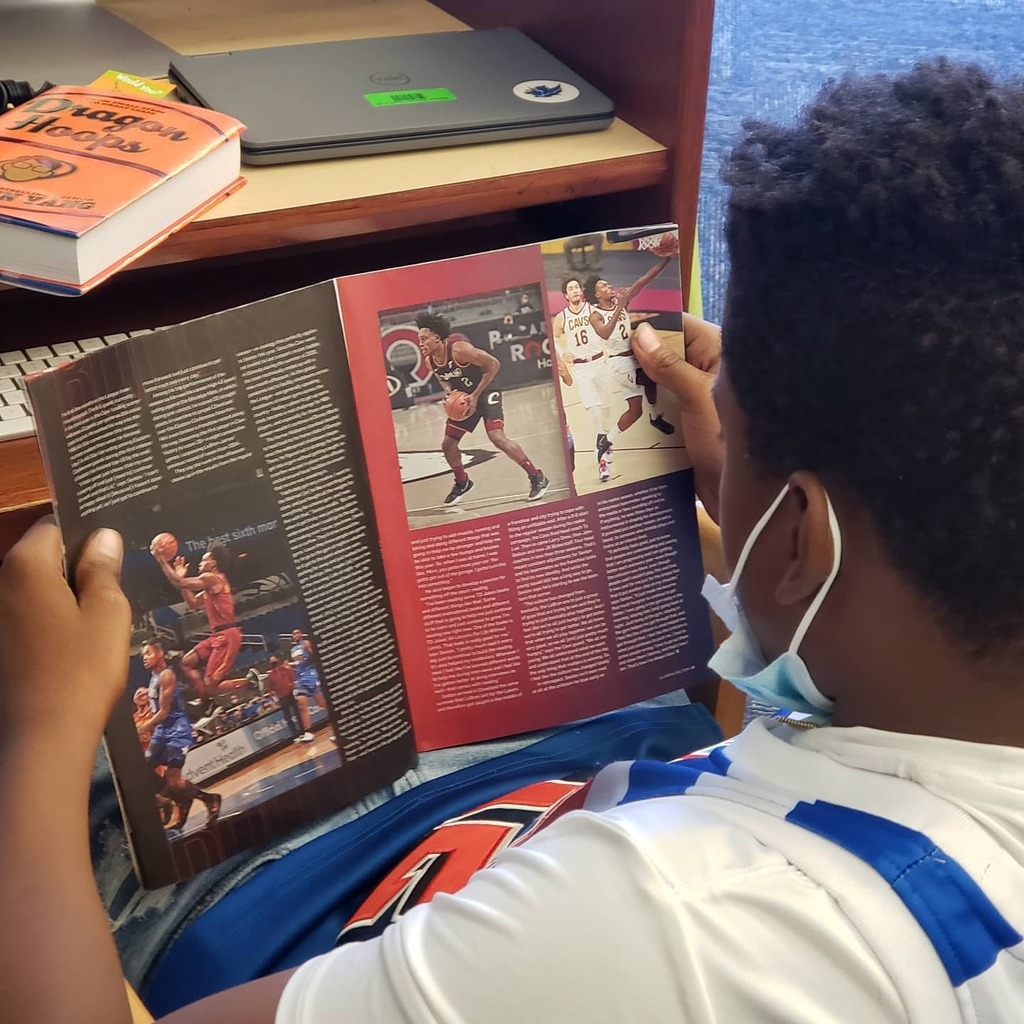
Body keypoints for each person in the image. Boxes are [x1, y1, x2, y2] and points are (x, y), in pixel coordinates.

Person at [4, 58, 1024, 1023]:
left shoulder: (677, 921)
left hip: (283, 889)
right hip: (589, 780)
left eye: (732, 411)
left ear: (805, 535)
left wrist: (40, 733)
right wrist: (746, 510)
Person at [416, 312, 550, 505]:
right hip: (465, 399)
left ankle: (537, 477)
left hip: (486, 392)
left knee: (497, 437)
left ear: (437, 338)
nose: (421, 343)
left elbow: (494, 364)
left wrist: (476, 396)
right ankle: (463, 482)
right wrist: (449, 392)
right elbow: (442, 376)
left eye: (424, 339)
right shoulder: (430, 361)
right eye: (419, 340)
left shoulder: (459, 350)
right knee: (448, 444)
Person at [582, 252, 678, 454]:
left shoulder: (621, 302)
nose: (610, 287)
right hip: (620, 364)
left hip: (634, 357)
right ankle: (618, 435)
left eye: (609, 284)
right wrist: (622, 304)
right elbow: (605, 334)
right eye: (604, 286)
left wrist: (668, 259)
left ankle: (647, 421)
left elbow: (644, 280)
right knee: (643, 395)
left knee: (643, 396)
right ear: (597, 295)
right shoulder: (596, 315)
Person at [135, 639, 221, 833]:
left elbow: (164, 712)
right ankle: (176, 799)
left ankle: (209, 799)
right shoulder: (153, 677)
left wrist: (141, 728)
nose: (144, 658)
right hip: (162, 731)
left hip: (177, 730)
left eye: (148, 653)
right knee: (143, 770)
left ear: (160, 653)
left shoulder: (166, 676)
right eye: (143, 655)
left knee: (174, 781)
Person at [151, 541, 242, 705]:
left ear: (213, 563)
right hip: (218, 635)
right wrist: (182, 578)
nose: (199, 564)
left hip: (227, 636)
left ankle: (249, 682)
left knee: (209, 685)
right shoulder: (211, 584)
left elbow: (179, 583)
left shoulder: (211, 578)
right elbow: (192, 602)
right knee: (185, 663)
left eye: (203, 560)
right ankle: (207, 702)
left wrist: (161, 560)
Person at [552, 275, 616, 481]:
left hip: (600, 363)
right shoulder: (562, 316)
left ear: (582, 291)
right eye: (570, 288)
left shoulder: (593, 310)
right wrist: (562, 353)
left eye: (577, 287)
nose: (575, 290)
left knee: (606, 411)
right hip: (581, 368)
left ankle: (606, 441)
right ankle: (601, 462)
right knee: (595, 414)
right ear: (565, 295)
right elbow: (553, 337)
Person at [289, 629, 325, 743]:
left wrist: (308, 651)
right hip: (300, 678)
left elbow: (315, 657)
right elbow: (298, 665)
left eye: (297, 633)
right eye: (294, 634)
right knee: (301, 704)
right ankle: (308, 732)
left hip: (311, 675)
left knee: (321, 703)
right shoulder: (293, 650)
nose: (296, 635)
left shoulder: (306, 643)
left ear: (301, 634)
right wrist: (290, 668)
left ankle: (338, 717)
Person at [264, 653, 303, 741]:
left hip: (290, 694)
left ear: (277, 661)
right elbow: (270, 690)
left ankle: (303, 731)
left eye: (274, 660)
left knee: (297, 713)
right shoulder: (270, 676)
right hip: (282, 697)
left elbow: (292, 678)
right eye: (272, 661)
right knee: (288, 717)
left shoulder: (285, 669)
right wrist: (274, 700)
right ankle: (295, 735)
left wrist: (292, 686)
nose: (273, 662)